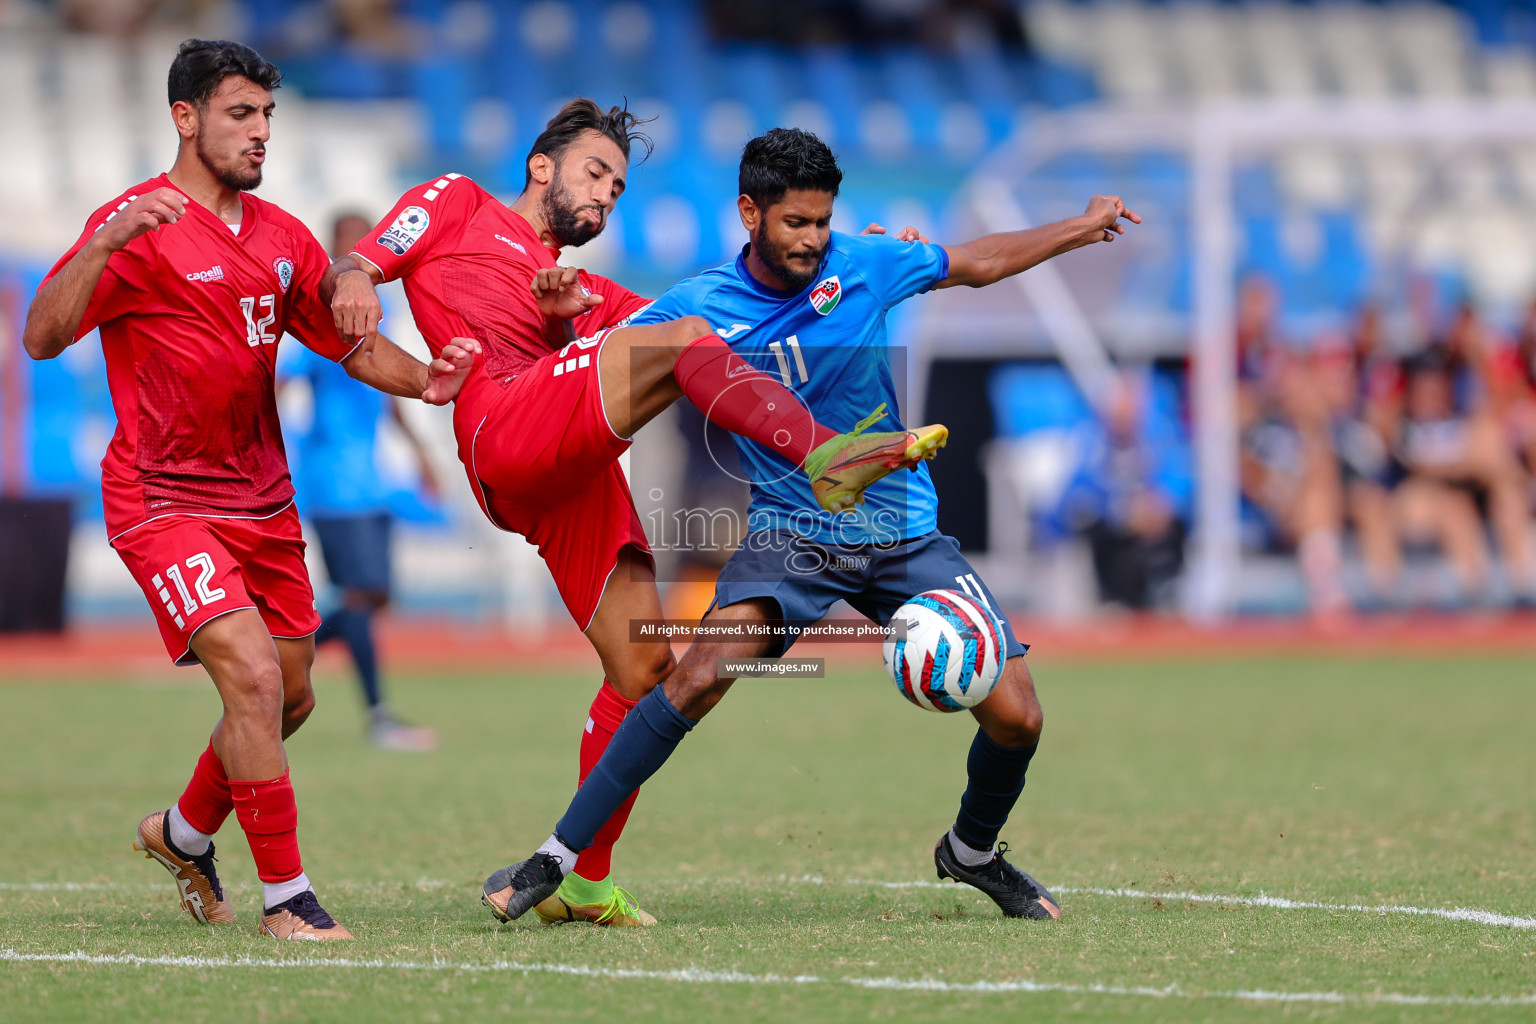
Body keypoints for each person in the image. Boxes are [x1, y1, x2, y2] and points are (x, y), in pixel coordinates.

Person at [479, 127, 1140, 924]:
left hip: (903, 533)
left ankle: (970, 853)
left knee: (1019, 714)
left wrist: (1082, 222)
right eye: (797, 223)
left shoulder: (865, 263)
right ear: (749, 213)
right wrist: (554, 327)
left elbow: (980, 262)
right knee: (693, 677)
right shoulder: (696, 308)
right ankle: (554, 859)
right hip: (792, 538)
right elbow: (595, 365)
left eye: (823, 221)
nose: (815, 240)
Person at [320, 100, 945, 927]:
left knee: (642, 673)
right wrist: (358, 276)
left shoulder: (586, 291)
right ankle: (826, 454)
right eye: (594, 173)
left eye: (617, 186)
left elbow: (729, 331)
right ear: (542, 166)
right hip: (502, 422)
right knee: (680, 340)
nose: (606, 194)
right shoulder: (456, 200)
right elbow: (365, 260)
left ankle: (582, 883)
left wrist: (859, 269)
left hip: (565, 470)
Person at [21, 39, 476, 941]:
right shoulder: (134, 225)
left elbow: (346, 343)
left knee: (292, 698)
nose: (261, 132)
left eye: (268, 115)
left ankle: (183, 833)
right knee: (256, 680)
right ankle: (289, 902)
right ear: (185, 119)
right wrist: (101, 243)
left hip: (263, 500)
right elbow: (41, 335)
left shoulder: (281, 237)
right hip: (163, 498)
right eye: (241, 114)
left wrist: (428, 381)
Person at [281, 212, 440, 751]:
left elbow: (385, 388)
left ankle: (273, 661)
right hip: (331, 484)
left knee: (373, 600)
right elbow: (280, 381)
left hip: (372, 482)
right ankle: (379, 717)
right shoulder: (322, 319)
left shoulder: (377, 312)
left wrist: (420, 455)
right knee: (358, 597)